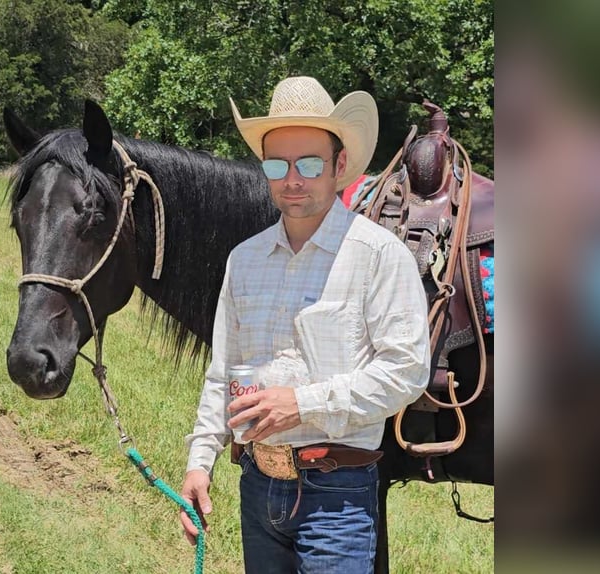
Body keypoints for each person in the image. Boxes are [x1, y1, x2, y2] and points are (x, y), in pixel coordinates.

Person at [179, 76, 430, 573]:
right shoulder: (244, 259)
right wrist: (200, 459)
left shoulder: (380, 256)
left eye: (309, 163)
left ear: (339, 166)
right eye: (277, 164)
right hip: (257, 484)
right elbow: (221, 371)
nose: (292, 179)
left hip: (336, 496)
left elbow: (406, 371)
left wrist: (301, 402)